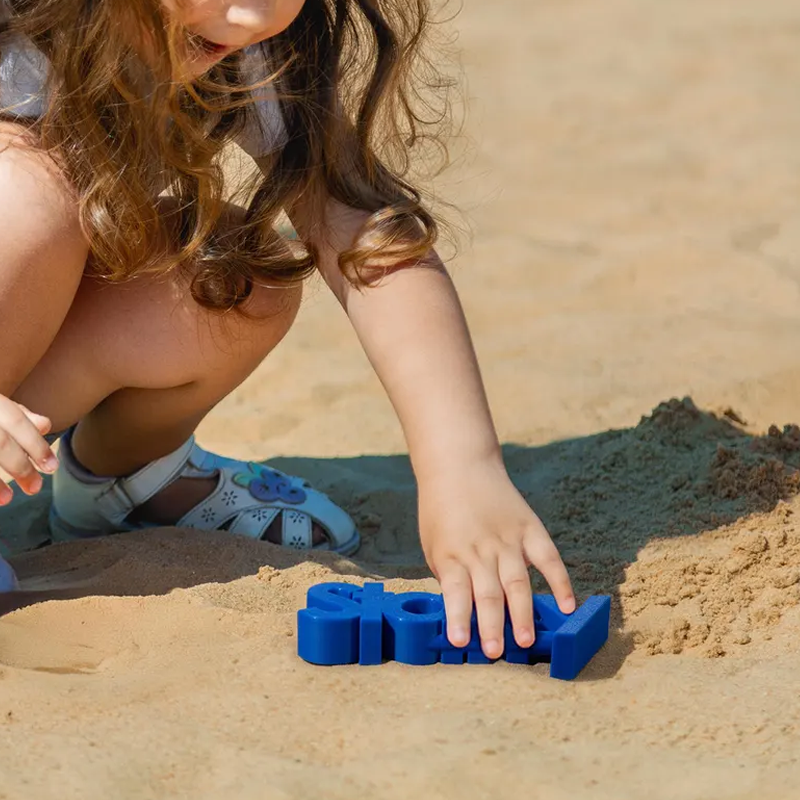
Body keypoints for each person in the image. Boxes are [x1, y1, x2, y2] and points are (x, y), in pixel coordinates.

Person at [0, 0, 576, 657]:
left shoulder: (235, 36)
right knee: (31, 193)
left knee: (237, 283)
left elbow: (359, 224)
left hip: (26, 406)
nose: (251, 14)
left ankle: (125, 482)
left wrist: (461, 467)